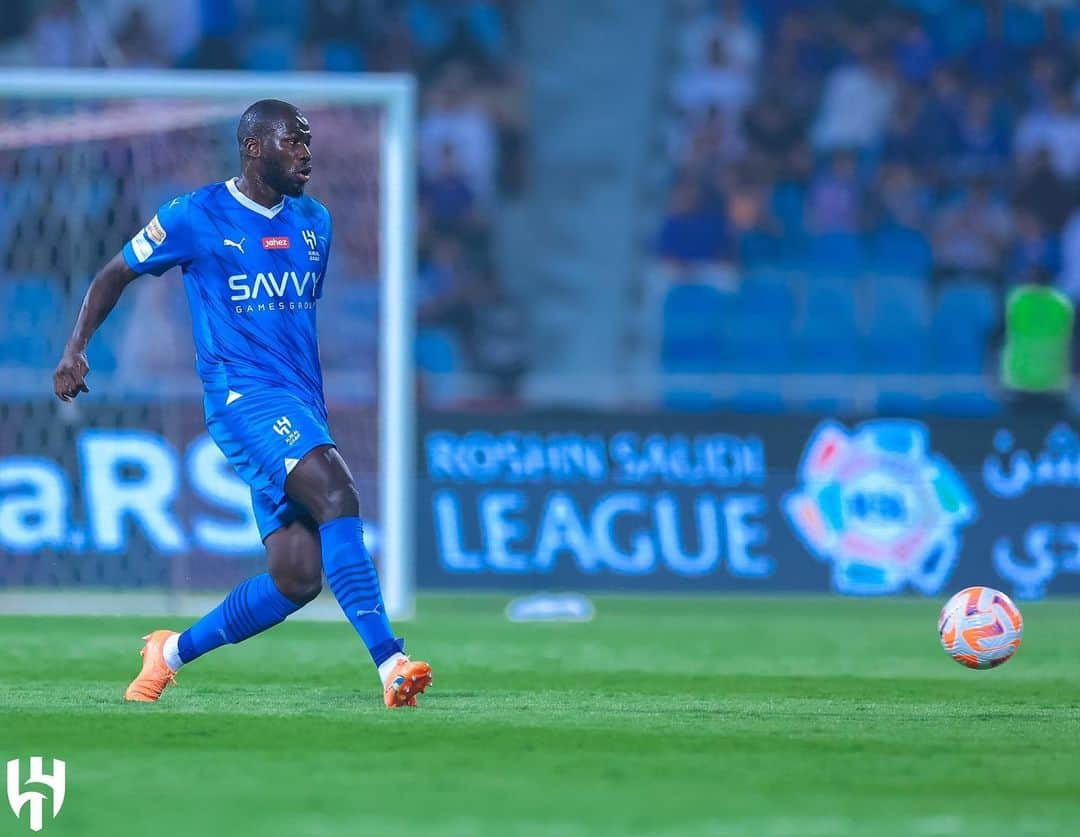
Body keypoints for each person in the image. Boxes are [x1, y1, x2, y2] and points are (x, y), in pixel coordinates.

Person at [52, 100, 432, 709]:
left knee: (297, 577)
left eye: (309, 143)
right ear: (254, 148)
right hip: (240, 400)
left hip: (299, 401)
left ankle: (168, 654)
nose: (306, 153)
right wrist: (76, 349)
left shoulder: (316, 223)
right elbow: (113, 273)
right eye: (293, 143)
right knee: (338, 492)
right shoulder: (193, 215)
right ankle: (391, 662)